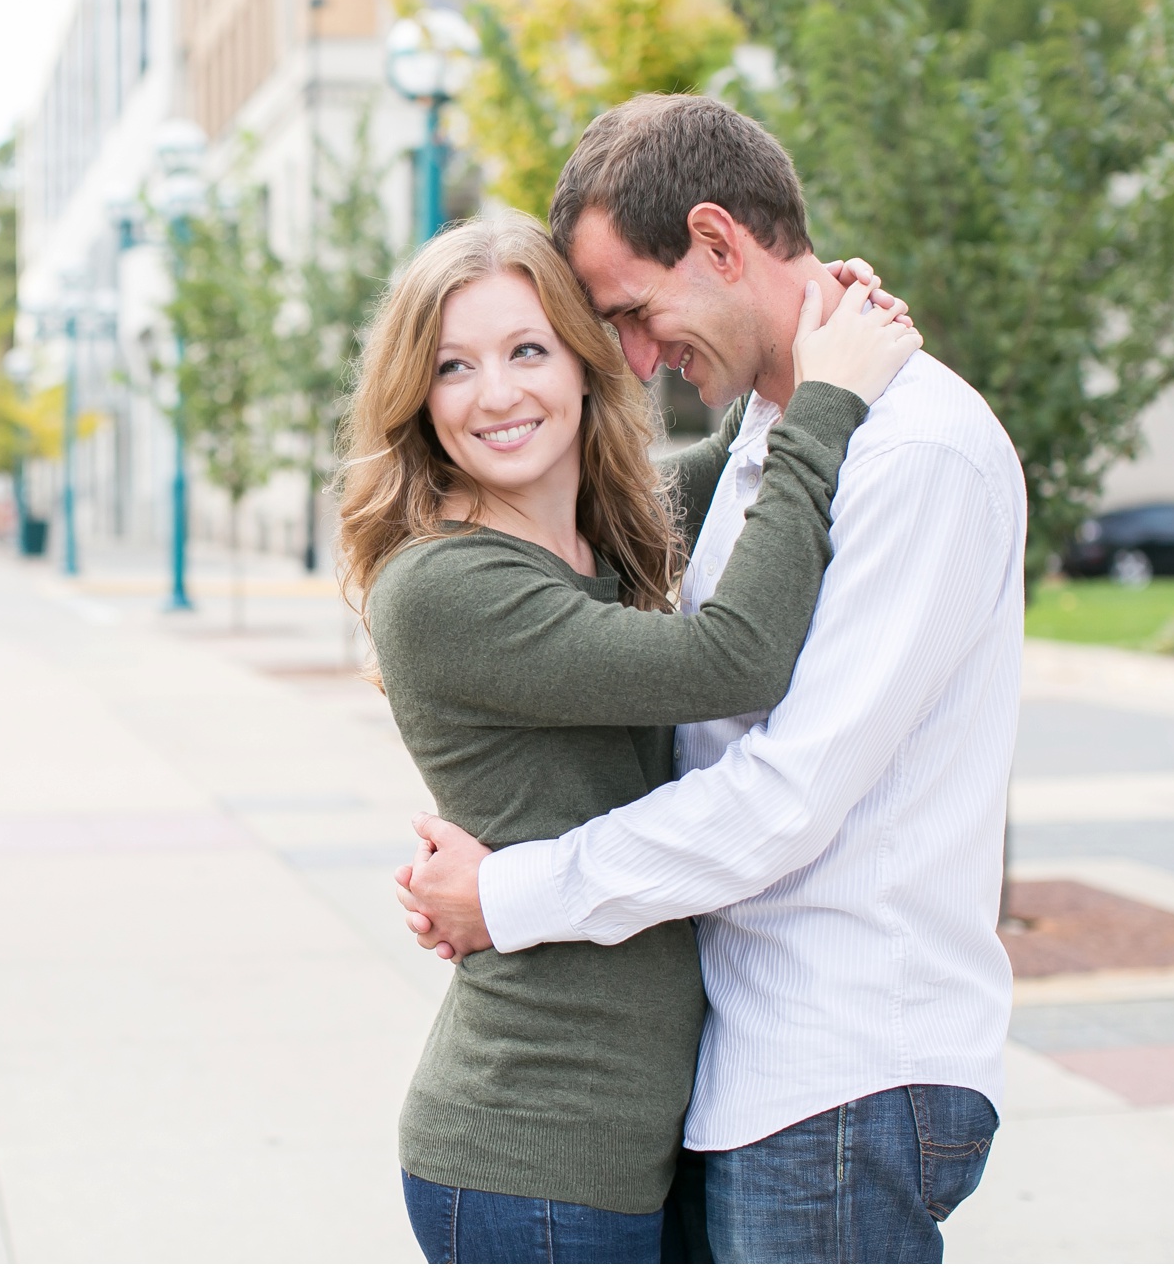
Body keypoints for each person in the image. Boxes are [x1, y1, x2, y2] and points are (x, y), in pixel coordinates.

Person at [395, 94, 1025, 1264]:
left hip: (842, 1069)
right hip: (738, 1076)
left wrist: (513, 893)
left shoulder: (912, 454)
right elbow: (685, 606)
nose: (632, 360)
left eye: (629, 315)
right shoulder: (767, 441)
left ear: (720, 241)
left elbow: (783, 792)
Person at [337, 208, 920, 1264]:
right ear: (416, 399)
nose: (498, 393)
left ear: (582, 357)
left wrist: (806, 323)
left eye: (525, 349)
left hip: (622, 1148)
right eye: (453, 366)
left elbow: (744, 454)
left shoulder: (603, 532)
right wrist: (829, 398)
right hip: (532, 1155)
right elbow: (730, 659)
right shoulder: (445, 585)